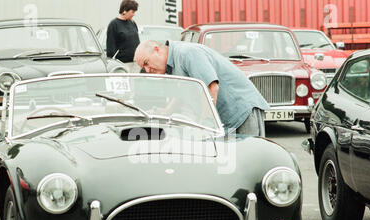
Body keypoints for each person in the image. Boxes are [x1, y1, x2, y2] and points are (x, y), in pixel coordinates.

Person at [134, 40, 270, 136]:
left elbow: (211, 87)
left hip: (242, 110)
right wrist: (167, 111)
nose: (147, 70)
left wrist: (205, 123)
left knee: (249, 162)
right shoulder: (172, 65)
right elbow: (182, 91)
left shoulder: (187, 53)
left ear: (157, 50)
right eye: (143, 68)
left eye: (146, 62)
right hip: (226, 116)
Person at [106, 0, 140, 72]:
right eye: (132, 12)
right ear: (125, 10)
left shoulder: (132, 22)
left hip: (136, 63)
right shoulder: (114, 24)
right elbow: (110, 48)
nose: (134, 14)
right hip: (123, 64)